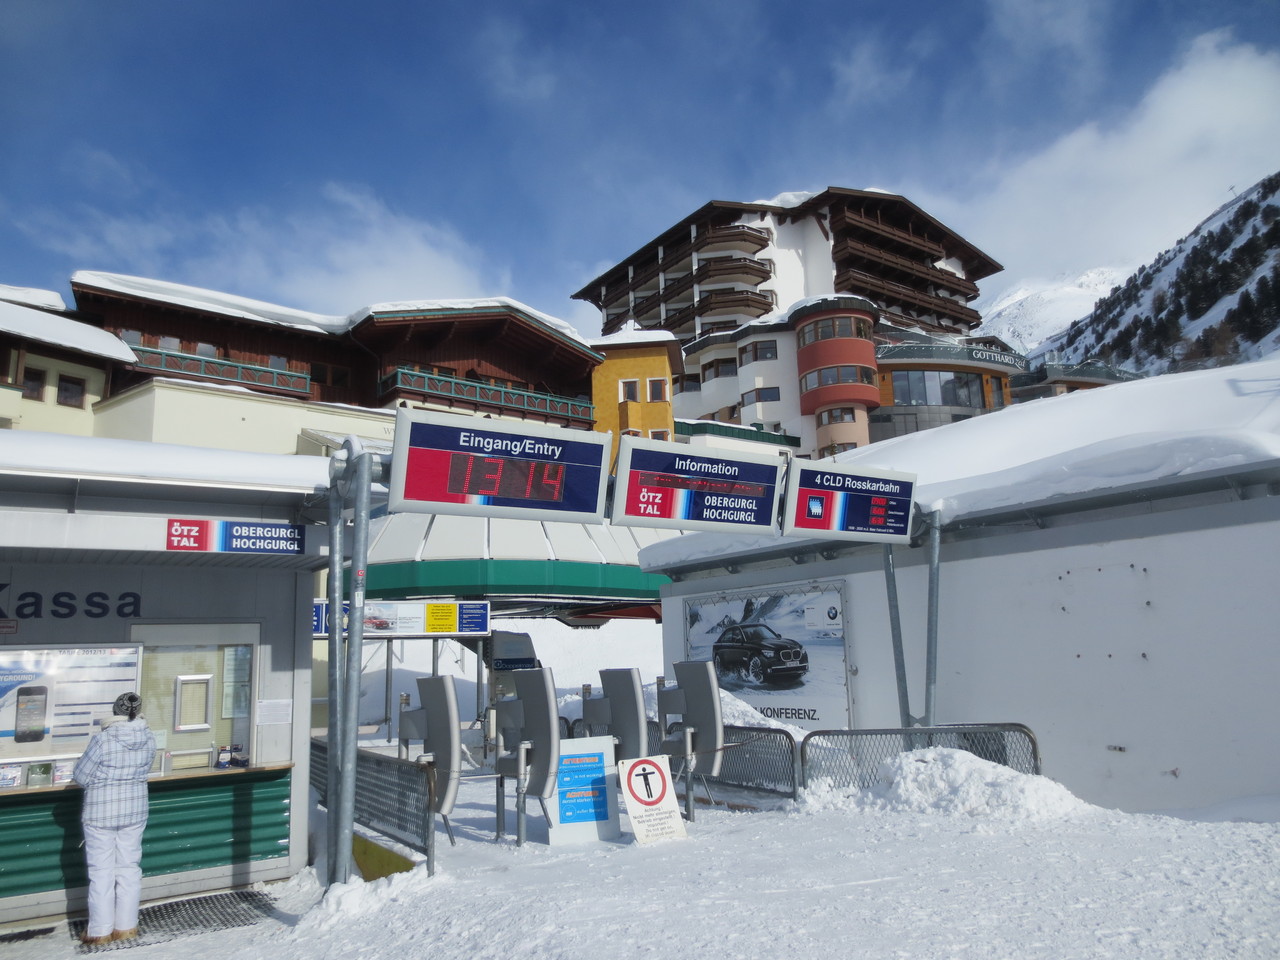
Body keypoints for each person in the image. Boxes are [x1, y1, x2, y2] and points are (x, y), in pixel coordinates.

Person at [72, 692, 157, 945]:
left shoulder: (103, 739)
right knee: (130, 869)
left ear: (115, 711)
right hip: (134, 810)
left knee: (101, 872)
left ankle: (99, 931)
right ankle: (126, 927)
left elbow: (81, 776)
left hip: (101, 814)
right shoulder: (149, 737)